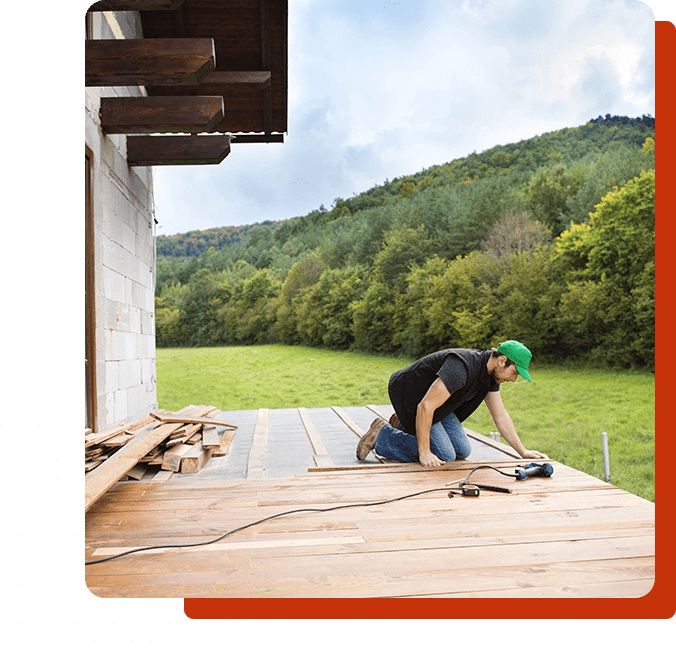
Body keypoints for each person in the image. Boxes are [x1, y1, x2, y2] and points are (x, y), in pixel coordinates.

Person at [356, 340, 549, 467]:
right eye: (514, 373)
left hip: (438, 403)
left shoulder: (490, 377)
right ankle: (383, 435)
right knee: (444, 454)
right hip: (412, 395)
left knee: (462, 450)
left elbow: (500, 415)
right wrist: (424, 452)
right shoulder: (462, 367)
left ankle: (405, 424)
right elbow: (425, 406)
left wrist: (523, 452)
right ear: (502, 361)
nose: (514, 379)